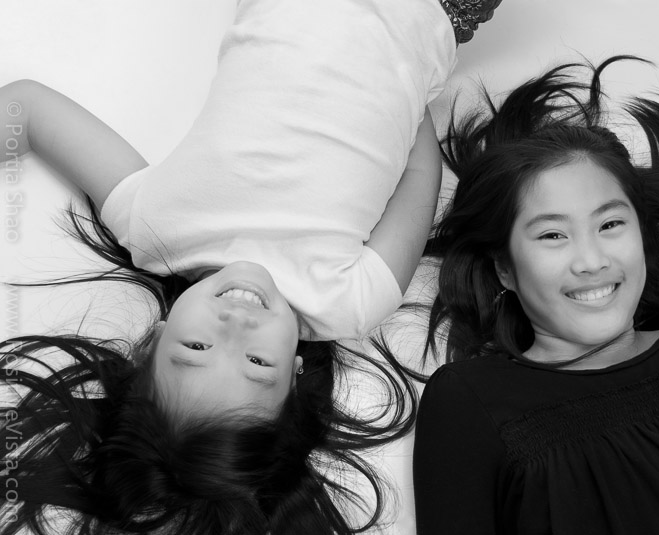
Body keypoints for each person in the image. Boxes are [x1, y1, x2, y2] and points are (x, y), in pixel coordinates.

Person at [0, 0, 502, 533]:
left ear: (154, 339)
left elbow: (25, 109)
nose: (235, 326)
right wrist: (409, 78)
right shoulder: (350, 302)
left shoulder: (154, 231)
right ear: (294, 375)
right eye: (258, 362)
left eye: (196, 348)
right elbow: (420, 176)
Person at [413, 57, 659, 534]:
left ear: (642, 235)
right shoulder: (470, 400)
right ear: (505, 268)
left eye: (610, 224)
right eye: (553, 235)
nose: (591, 260)